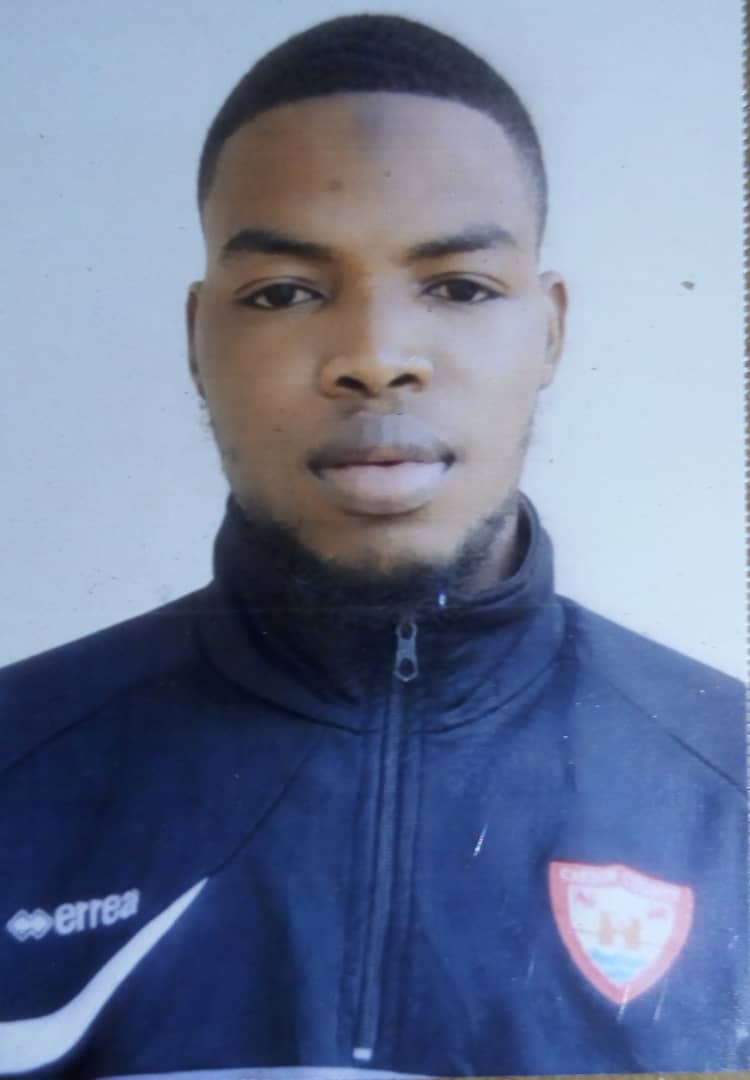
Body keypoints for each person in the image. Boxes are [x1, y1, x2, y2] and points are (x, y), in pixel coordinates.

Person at [0, 13, 745, 1080]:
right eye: (285, 293)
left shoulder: (730, 785)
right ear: (199, 339)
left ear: (550, 332)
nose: (377, 356)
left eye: (459, 287)